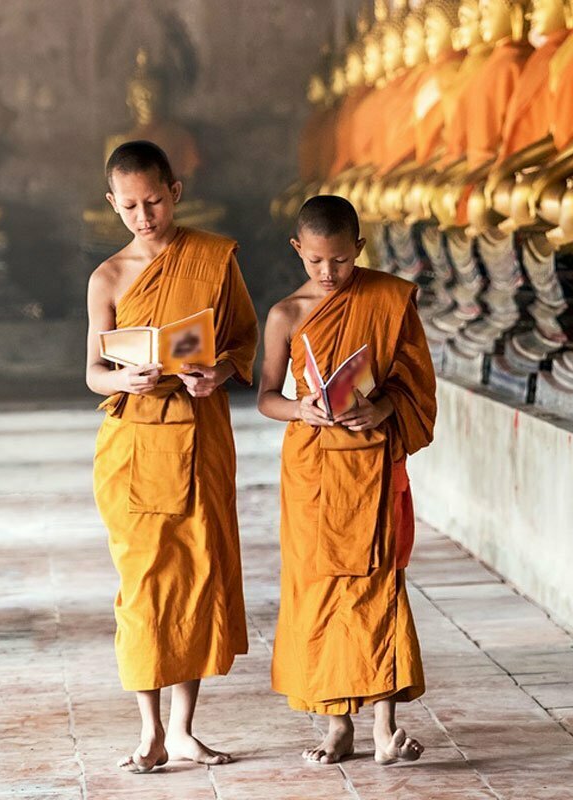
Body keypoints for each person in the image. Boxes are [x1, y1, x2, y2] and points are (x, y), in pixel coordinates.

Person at [85, 140, 258, 773]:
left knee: (194, 578)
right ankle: (148, 731)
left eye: (153, 200)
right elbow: (94, 373)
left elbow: (242, 339)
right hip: (135, 447)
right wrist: (123, 380)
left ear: (175, 190)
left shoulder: (214, 258)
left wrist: (220, 372)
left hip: (200, 432)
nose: (143, 216)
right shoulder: (107, 277)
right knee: (144, 587)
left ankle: (184, 731)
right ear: (112, 204)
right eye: (128, 205)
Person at [257, 195, 437, 765]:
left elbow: (416, 387)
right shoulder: (286, 314)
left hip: (369, 462)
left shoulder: (388, 299)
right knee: (317, 592)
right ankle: (337, 725)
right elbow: (265, 398)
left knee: (376, 584)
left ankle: (384, 729)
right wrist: (301, 410)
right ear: (298, 251)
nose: (329, 273)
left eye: (339, 260)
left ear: (359, 247)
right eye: (315, 262)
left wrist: (382, 409)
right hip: (311, 468)